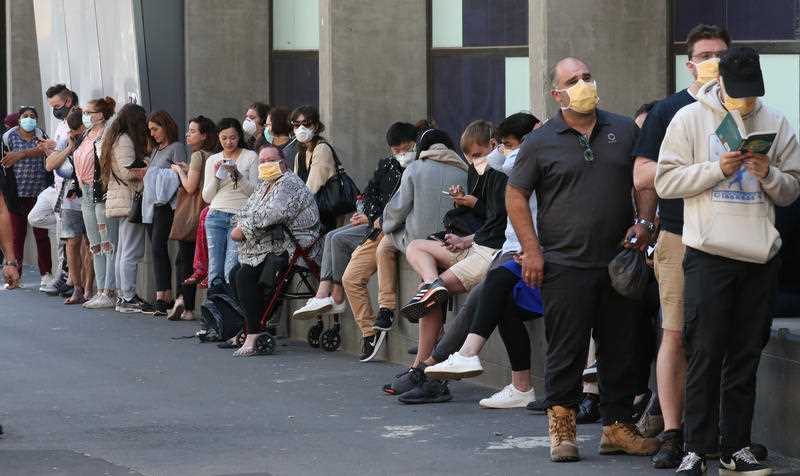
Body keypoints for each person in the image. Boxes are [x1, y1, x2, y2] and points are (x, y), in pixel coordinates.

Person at [656, 46, 800, 476]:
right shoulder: (689, 118)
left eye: (752, 94)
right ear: (718, 81)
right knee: (705, 351)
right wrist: (716, 168)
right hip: (709, 253)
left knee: (745, 355)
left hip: (760, 256)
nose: (746, 102)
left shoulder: (776, 121)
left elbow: (791, 189)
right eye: (738, 93)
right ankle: (697, 447)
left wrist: (767, 174)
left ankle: (735, 447)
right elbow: (664, 181)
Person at [507, 57, 659, 462]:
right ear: (558, 94)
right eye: (573, 81)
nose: (583, 84)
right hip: (562, 263)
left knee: (622, 347)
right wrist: (532, 249)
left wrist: (645, 222)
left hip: (620, 262)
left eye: (587, 76)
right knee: (566, 350)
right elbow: (515, 195)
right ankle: (563, 428)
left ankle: (617, 427)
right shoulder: (540, 141)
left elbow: (644, 179)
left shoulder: (624, 129)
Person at [632, 24, 733, 470]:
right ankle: (674, 431)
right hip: (679, 234)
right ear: (689, 63)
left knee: (726, 337)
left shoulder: (745, 106)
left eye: (721, 54)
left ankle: (722, 432)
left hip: (735, 235)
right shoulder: (671, 109)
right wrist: (707, 169)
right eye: (706, 55)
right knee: (675, 333)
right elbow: (641, 176)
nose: (714, 61)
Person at [418, 113, 542, 409]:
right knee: (501, 305)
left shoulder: (537, 159)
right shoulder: (509, 163)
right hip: (507, 247)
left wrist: (536, 137)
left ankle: (445, 360)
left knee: (491, 286)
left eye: (508, 144)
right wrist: (504, 147)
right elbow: (500, 164)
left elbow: (506, 170)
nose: (500, 152)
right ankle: (520, 386)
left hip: (528, 250)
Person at [394, 120, 509, 404]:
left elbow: (498, 224)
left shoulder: (503, 173)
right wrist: (464, 203)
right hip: (475, 242)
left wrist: (468, 228)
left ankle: (429, 374)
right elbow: (488, 218)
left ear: (495, 146)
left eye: (477, 154)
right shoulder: (479, 171)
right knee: (418, 250)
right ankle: (433, 287)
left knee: (431, 295)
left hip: (488, 249)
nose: (473, 161)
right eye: (469, 156)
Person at [293, 121, 417, 362]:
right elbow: (368, 194)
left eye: (407, 148)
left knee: (383, 249)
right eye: (397, 150)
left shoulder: (420, 168)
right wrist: (374, 216)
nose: (402, 154)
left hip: (398, 231)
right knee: (351, 278)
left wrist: (382, 218)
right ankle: (369, 331)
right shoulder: (388, 166)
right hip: (377, 229)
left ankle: (386, 310)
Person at [378, 127, 468, 393]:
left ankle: (425, 370)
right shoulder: (465, 171)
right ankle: (423, 367)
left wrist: (390, 228)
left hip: (423, 246)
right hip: (455, 246)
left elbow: (394, 213)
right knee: (432, 299)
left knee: (427, 293)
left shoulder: (415, 170)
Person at [230, 144, 321, 356]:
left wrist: (244, 228)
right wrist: (241, 224)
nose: (265, 165)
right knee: (236, 273)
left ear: (283, 162)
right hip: (273, 242)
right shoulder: (265, 185)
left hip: (295, 245)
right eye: (261, 161)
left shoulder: (288, 183)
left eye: (270, 160)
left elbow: (274, 213)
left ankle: (253, 334)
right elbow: (245, 210)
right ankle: (253, 326)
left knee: (244, 276)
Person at [100, 103, 153, 313]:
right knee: (130, 250)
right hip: (129, 199)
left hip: (121, 199)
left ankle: (125, 295)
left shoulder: (115, 138)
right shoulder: (124, 140)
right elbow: (128, 172)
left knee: (124, 248)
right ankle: (127, 297)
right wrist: (149, 164)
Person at [167, 116, 218, 321]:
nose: (188, 134)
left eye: (193, 131)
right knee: (192, 259)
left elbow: (190, 186)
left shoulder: (198, 156)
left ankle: (186, 305)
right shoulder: (212, 155)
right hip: (209, 212)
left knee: (186, 260)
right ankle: (184, 301)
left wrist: (179, 171)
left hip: (193, 214)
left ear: (204, 135)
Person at [44, 108, 94, 304]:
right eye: (72, 129)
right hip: (70, 196)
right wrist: (68, 149)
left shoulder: (93, 139)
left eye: (77, 128)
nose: (75, 132)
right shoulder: (68, 140)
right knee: (72, 243)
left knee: (91, 243)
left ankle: (89, 288)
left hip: (89, 194)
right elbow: (49, 165)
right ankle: (77, 287)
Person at [201, 118, 260, 283]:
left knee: (231, 267)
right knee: (214, 268)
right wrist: (217, 176)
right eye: (224, 138)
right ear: (218, 138)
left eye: (233, 137)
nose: (228, 142)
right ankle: (214, 307)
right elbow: (207, 197)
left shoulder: (250, 156)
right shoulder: (213, 159)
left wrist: (237, 175)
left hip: (240, 217)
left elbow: (255, 193)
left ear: (239, 137)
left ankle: (230, 307)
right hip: (215, 216)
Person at [1, 106, 53, 288]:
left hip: (40, 195)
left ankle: (46, 274)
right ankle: (16, 276)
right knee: (17, 236)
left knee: (41, 235)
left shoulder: (41, 135)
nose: (29, 119)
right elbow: (5, 162)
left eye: (32, 116)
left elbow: (46, 150)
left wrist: (21, 154)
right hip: (17, 196)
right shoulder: (9, 138)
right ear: (19, 120)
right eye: (25, 116)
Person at [142, 111, 188, 316]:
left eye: (155, 129)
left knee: (159, 246)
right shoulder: (155, 150)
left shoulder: (176, 147)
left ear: (166, 126)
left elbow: (180, 174)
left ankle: (164, 295)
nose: (152, 134)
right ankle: (163, 292)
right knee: (156, 248)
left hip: (168, 205)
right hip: (151, 204)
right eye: (150, 130)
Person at [74, 97, 118, 309]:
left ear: (100, 115)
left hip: (101, 192)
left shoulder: (108, 134)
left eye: (89, 112)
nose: (86, 116)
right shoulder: (85, 135)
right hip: (86, 193)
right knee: (96, 245)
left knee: (107, 242)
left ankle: (109, 290)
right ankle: (101, 289)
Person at [290, 106, 338, 230]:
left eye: (306, 124)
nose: (301, 128)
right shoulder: (299, 155)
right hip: (310, 214)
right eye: (296, 124)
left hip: (327, 215)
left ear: (316, 126)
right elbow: (296, 185)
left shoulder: (321, 149)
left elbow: (312, 187)